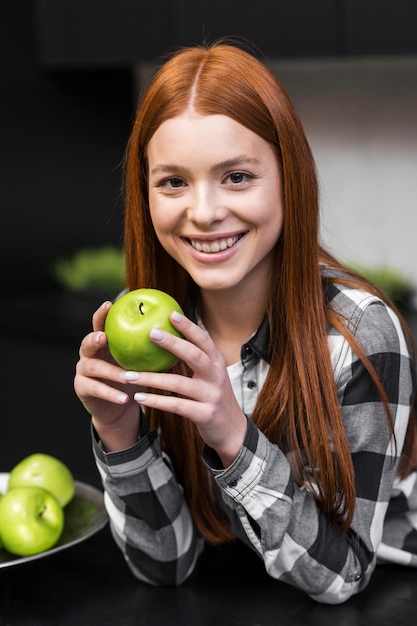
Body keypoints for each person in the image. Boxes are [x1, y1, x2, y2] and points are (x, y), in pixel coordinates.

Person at [74, 41, 417, 604]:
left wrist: (231, 433)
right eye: (173, 181)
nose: (204, 212)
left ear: (289, 178)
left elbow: (343, 575)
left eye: (236, 176)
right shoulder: (153, 328)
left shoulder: (360, 334)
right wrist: (119, 434)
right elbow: (167, 567)